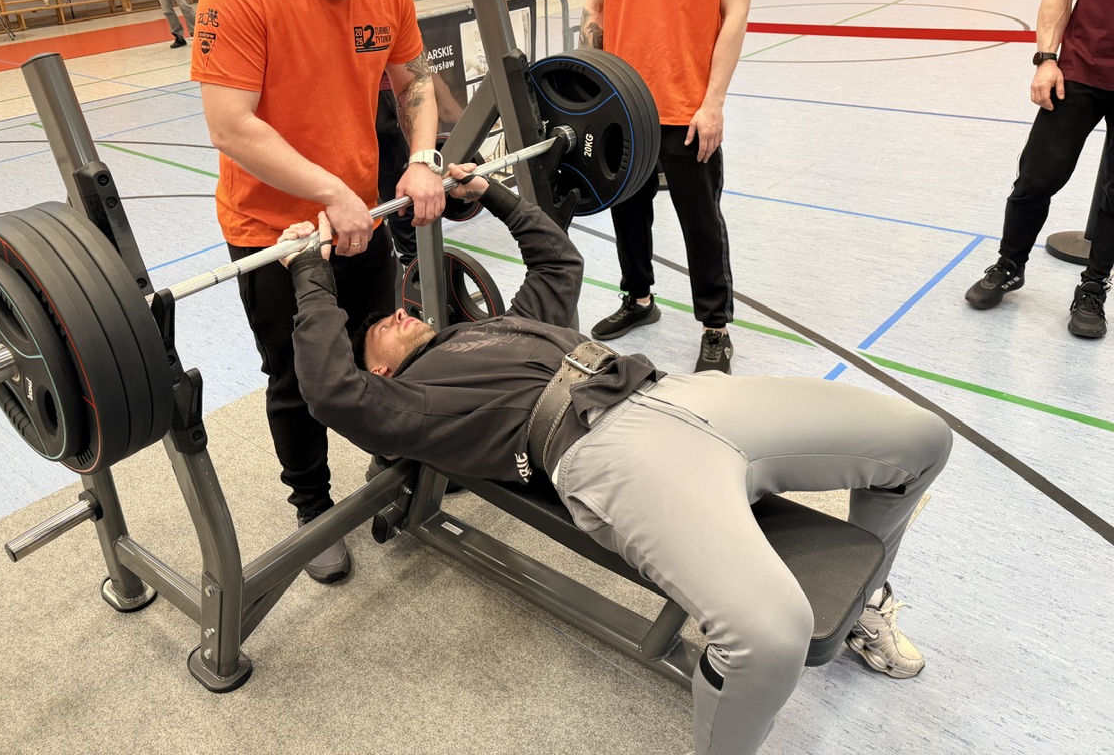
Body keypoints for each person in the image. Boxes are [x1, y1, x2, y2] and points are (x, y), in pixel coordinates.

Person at [277, 165, 952, 755]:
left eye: (394, 313)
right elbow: (331, 390)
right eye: (379, 332)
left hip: (682, 392)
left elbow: (558, 263)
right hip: (611, 453)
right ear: (380, 374)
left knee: (921, 440)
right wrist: (311, 273)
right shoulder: (412, 403)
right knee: (771, 637)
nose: (395, 314)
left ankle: (867, 601)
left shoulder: (499, 326)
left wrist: (494, 195)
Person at [189, 0, 446, 583]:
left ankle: (394, 463)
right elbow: (230, 125)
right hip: (274, 234)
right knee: (299, 377)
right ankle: (312, 509)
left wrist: (423, 157)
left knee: (381, 349)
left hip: (362, 218)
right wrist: (331, 191)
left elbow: (414, 81)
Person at [580, 0, 760, 374]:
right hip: (623, 103)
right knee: (627, 212)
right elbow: (596, 6)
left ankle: (714, 325)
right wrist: (592, 91)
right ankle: (638, 299)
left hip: (688, 105)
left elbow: (735, 14)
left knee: (700, 220)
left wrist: (714, 104)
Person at [965, 0, 1113, 339]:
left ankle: (1093, 287)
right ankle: (1010, 264)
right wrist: (1047, 59)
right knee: (1035, 177)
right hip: (1080, 68)